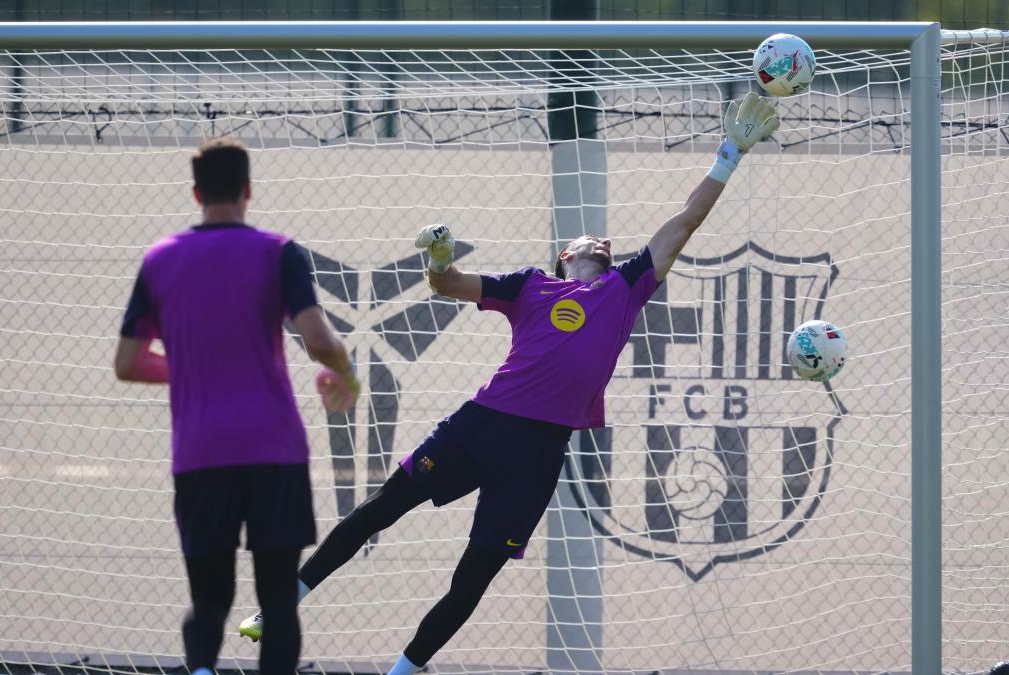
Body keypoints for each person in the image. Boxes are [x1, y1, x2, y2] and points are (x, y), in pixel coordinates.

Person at [237, 92, 782, 674]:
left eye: (606, 243)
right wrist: (438, 259)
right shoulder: (530, 287)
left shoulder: (625, 288)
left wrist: (730, 152)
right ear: (563, 258)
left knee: (474, 577)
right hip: (481, 426)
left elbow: (686, 220)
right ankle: (283, 605)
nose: (600, 243)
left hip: (540, 453)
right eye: (586, 242)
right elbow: (449, 285)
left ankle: (403, 670)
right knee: (382, 508)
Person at [115, 136, 360, 675]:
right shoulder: (277, 251)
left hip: (202, 453)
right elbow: (318, 339)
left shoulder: (160, 258)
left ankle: (201, 670)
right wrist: (345, 372)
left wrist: (196, 367)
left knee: (209, 600)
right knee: (276, 602)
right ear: (249, 190)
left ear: (196, 191)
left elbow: (128, 363)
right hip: (274, 449)